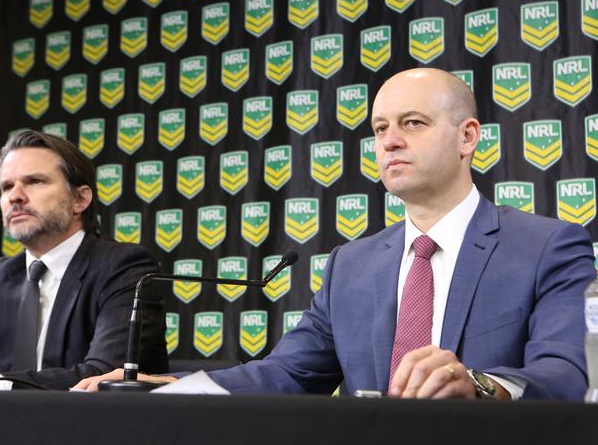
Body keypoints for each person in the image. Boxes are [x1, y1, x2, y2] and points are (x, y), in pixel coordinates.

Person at [75, 68, 595, 400]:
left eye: (412, 123)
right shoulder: (353, 264)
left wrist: (481, 387)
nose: (390, 141)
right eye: (379, 128)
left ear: (467, 137)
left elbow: (564, 374)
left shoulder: (546, 246)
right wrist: (179, 386)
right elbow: (290, 373)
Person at [0, 131, 168, 389]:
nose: (15, 196)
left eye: (35, 181)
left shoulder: (124, 266)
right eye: (6, 186)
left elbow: (102, 376)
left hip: (89, 425)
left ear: (80, 199)